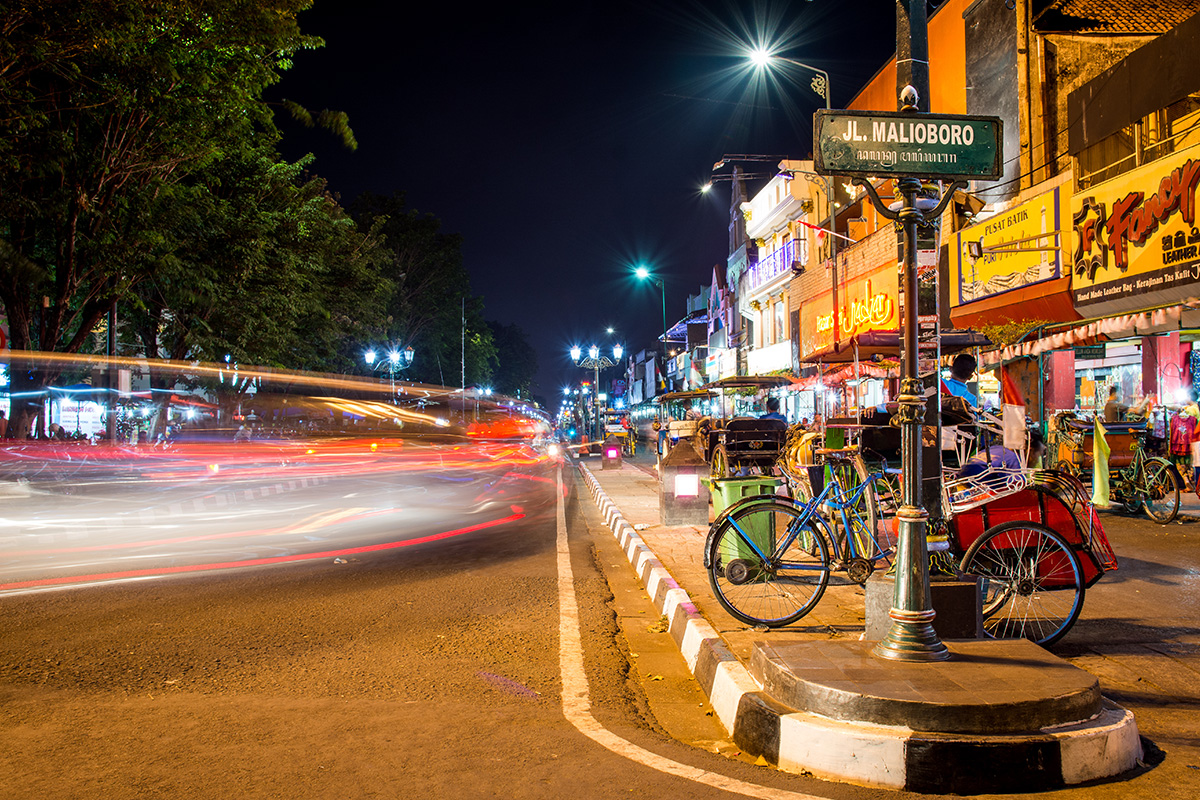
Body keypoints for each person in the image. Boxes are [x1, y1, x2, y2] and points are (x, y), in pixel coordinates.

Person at [958, 430, 1046, 478]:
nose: (1037, 460)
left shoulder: (996, 449)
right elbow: (1020, 491)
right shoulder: (1013, 459)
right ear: (1030, 450)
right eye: (1038, 455)